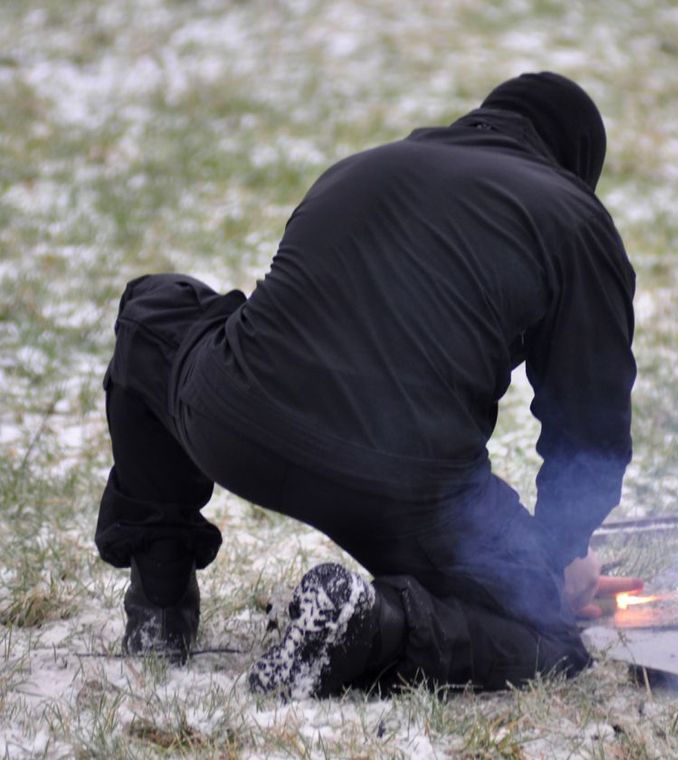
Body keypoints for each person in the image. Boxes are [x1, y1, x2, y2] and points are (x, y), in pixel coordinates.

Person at [94, 71, 637, 697]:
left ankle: (160, 602)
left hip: (239, 420)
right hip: (404, 488)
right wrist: (559, 554)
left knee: (154, 314)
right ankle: (375, 624)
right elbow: (589, 425)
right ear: (576, 165)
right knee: (548, 633)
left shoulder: (364, 166)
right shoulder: (573, 216)